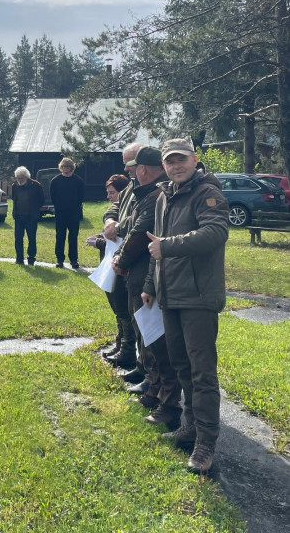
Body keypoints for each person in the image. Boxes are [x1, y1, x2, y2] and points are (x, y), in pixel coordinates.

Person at [143, 138, 229, 473]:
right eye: (170, 161)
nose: (176, 166)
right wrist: (150, 285)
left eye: (181, 159)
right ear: (164, 165)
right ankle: (190, 427)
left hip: (198, 298)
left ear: (195, 159)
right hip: (170, 297)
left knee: (202, 372)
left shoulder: (207, 192)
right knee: (181, 366)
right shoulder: (165, 195)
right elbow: (155, 246)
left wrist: (168, 246)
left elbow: (215, 233)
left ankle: (206, 443)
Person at [112, 146, 181, 430]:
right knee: (148, 338)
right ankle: (154, 388)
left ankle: (166, 399)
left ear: (142, 169)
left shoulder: (155, 195)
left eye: (133, 167)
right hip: (145, 275)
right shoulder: (150, 193)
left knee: (157, 341)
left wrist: (122, 259)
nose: (130, 172)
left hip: (148, 276)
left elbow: (140, 233)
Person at [101, 142, 143, 369]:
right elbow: (115, 208)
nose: (126, 169)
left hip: (135, 258)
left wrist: (116, 227)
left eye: (130, 163)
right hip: (122, 254)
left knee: (137, 313)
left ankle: (139, 362)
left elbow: (139, 220)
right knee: (121, 303)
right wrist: (110, 220)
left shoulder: (151, 189)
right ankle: (127, 349)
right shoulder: (132, 186)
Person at [89, 174, 136, 367]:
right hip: (110, 267)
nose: (109, 196)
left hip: (121, 268)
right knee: (117, 310)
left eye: (112, 193)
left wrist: (99, 242)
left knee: (123, 309)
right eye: (107, 193)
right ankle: (120, 344)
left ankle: (127, 348)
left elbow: (120, 242)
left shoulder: (130, 211)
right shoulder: (116, 211)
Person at [50, 157, 84, 268]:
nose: (65, 169)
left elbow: (81, 196)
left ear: (71, 168)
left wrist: (76, 207)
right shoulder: (55, 181)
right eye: (64, 166)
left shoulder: (78, 181)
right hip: (60, 213)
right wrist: (59, 207)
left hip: (74, 213)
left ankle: (73, 260)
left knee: (73, 236)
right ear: (61, 167)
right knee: (60, 236)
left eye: (68, 167)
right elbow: (53, 196)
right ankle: (59, 259)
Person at [11, 166, 45, 265]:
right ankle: (19, 259)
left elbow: (41, 200)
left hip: (31, 217)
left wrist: (35, 209)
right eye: (17, 178)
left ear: (26, 177)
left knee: (32, 238)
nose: (19, 180)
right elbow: (13, 198)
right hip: (18, 216)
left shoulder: (36, 185)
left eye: (21, 178)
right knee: (18, 238)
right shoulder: (15, 185)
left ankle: (31, 258)